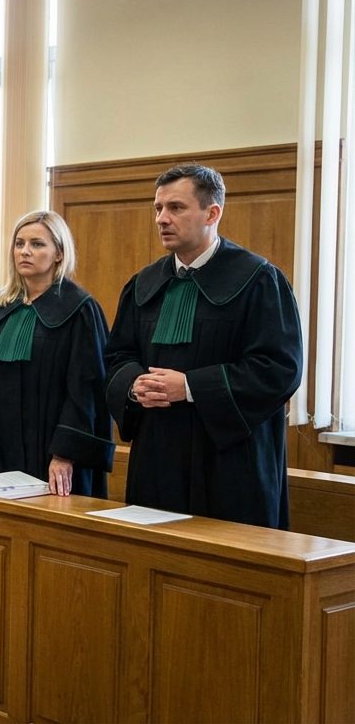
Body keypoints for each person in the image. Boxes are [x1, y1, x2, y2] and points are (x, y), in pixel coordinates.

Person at [104, 163, 303, 528]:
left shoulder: (258, 280)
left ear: (212, 213)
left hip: (231, 461)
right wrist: (134, 384)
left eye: (175, 207)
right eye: (158, 208)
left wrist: (190, 387)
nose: (162, 218)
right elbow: (117, 355)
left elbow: (279, 369)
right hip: (157, 457)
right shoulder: (143, 284)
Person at [0, 210, 115, 497]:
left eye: (37, 244)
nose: (25, 251)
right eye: (19, 244)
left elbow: (86, 390)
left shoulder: (79, 310)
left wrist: (65, 453)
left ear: (59, 253)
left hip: (54, 452)